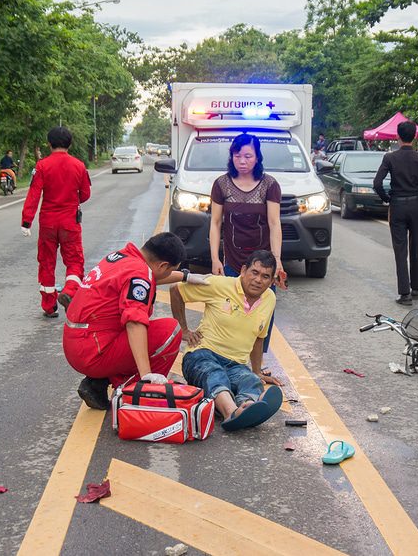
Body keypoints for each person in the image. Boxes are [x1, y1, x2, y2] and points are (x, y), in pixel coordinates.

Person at [63, 232, 208, 410]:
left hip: (79, 342)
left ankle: (100, 381)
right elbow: (134, 322)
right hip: (92, 351)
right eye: (171, 269)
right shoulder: (140, 274)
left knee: (140, 330)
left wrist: (185, 276)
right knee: (170, 331)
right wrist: (147, 374)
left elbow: (153, 275)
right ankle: (135, 390)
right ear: (163, 265)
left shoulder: (123, 257)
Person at [170, 250, 283, 431]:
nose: (258, 280)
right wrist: (183, 329)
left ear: (271, 282)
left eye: (265, 276)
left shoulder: (270, 298)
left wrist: (257, 371)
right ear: (244, 270)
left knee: (250, 380)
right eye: (254, 272)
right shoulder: (219, 284)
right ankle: (231, 413)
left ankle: (248, 406)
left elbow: (259, 338)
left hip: (235, 364)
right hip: (201, 355)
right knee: (214, 375)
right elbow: (176, 290)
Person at [209, 133, 287, 353]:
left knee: (262, 313)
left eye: (247, 156)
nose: (242, 161)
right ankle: (232, 356)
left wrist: (277, 260)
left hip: (262, 262)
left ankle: (258, 363)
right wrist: (216, 258)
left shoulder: (269, 185)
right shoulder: (221, 184)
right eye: (237, 155)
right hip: (233, 260)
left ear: (257, 157)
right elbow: (215, 223)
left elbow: (274, 223)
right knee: (232, 311)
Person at [21, 126, 91, 317]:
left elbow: (34, 195)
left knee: (46, 262)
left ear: (49, 143)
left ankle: (49, 306)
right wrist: (71, 200)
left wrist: (26, 221)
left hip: (48, 224)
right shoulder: (79, 165)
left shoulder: (42, 166)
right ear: (70, 144)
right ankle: (69, 291)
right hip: (70, 223)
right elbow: (85, 194)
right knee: (75, 262)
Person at [373, 120, 418, 305]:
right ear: (415, 136)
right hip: (417, 205)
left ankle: (404, 294)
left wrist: (387, 199)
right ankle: (417, 287)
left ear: (397, 136)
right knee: (416, 245)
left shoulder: (390, 158)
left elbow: (377, 183)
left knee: (400, 250)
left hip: (398, 206)